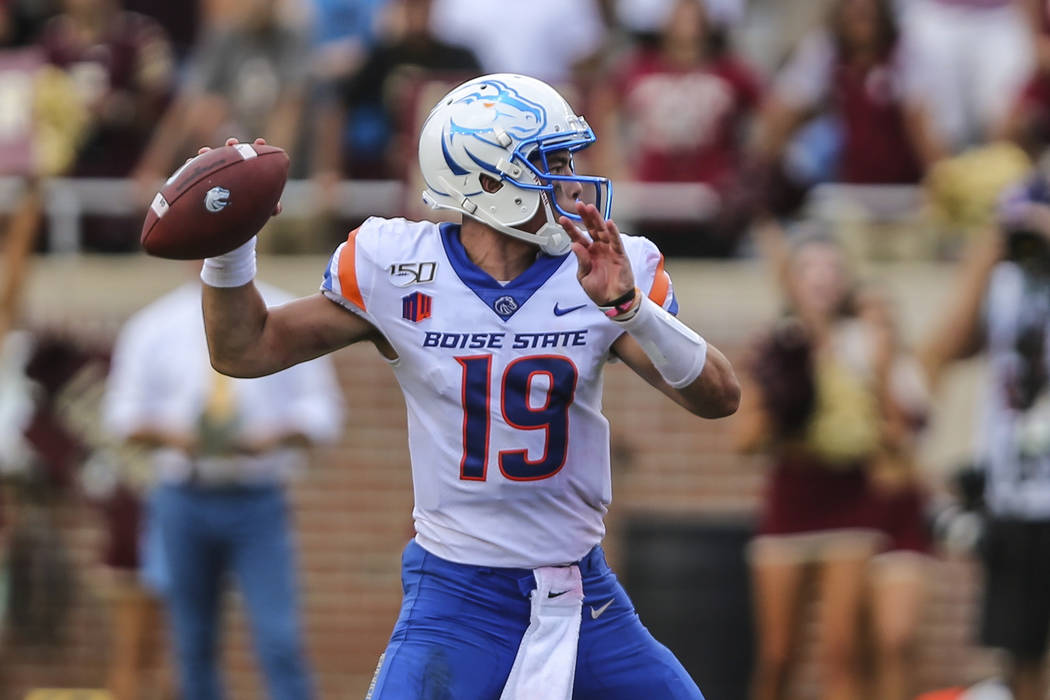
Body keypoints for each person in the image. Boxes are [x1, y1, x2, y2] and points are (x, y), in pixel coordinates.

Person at [193, 73, 739, 698]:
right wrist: (229, 250)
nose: (569, 180)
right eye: (549, 162)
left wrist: (631, 308)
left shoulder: (604, 270)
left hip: (582, 596)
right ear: (488, 181)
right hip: (456, 600)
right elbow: (243, 349)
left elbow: (720, 399)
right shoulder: (397, 269)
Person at [102, 273, 345, 700]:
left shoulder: (287, 313)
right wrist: (176, 437)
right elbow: (121, 415)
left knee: (279, 638)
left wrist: (273, 436)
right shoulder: (155, 324)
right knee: (191, 644)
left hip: (258, 498)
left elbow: (323, 413)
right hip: (183, 497)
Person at [734, 223, 931, 700]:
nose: (822, 277)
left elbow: (898, 437)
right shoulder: (775, 345)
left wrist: (881, 372)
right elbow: (744, 442)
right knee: (779, 656)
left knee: (841, 653)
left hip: (851, 503)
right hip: (790, 502)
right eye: (810, 267)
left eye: (833, 267)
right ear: (790, 280)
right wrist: (783, 406)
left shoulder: (865, 345)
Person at [919, 163, 1050, 700]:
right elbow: (941, 351)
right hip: (1015, 496)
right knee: (1018, 651)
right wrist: (985, 255)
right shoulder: (1004, 281)